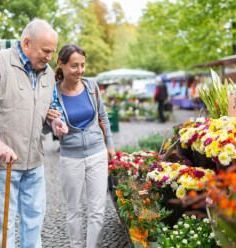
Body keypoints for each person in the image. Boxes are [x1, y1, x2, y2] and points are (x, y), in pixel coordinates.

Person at [47, 44, 115, 248]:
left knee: (97, 210)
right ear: (62, 64)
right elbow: (47, 125)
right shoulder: (52, 93)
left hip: (97, 153)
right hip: (71, 158)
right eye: (74, 66)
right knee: (73, 209)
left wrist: (109, 144)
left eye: (83, 65)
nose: (80, 70)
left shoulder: (91, 86)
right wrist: (54, 126)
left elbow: (103, 116)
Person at [0, 19, 58, 248]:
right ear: (26, 43)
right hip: (4, 165)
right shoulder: (2, 63)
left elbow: (38, 116)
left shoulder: (49, 73)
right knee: (4, 225)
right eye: (45, 51)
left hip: (34, 162)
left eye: (52, 52)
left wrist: (53, 124)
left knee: (34, 221)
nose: (49, 57)